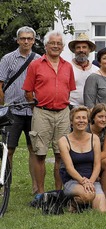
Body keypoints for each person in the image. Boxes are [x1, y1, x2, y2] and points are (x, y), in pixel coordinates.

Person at [23, 30, 75, 205]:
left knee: (61, 154)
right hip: (42, 112)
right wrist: (37, 107)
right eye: (52, 43)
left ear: (62, 47)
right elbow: (28, 91)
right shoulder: (36, 65)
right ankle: (41, 192)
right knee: (40, 154)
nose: (55, 46)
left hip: (63, 113)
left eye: (59, 43)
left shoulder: (67, 66)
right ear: (45, 45)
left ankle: (59, 192)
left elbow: (70, 89)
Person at [0, 26, 40, 194]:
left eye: (29, 39)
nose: (26, 41)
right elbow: (0, 85)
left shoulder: (39, 59)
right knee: (8, 149)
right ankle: (5, 184)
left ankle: (35, 186)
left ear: (33, 40)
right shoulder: (8, 59)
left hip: (32, 111)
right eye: (23, 38)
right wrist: (2, 107)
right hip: (12, 110)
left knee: (34, 149)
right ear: (17, 40)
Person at [58, 106, 106, 212]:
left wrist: (91, 181)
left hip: (91, 180)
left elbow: (97, 165)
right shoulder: (63, 141)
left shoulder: (94, 139)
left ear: (88, 121)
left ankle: (79, 203)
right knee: (88, 195)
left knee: (102, 212)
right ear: (71, 122)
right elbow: (69, 167)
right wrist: (83, 181)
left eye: (84, 118)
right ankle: (71, 200)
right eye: (78, 118)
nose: (81, 121)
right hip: (73, 181)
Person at [88, 103, 106, 194]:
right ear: (93, 117)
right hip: (83, 161)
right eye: (100, 117)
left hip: (98, 160)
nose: (103, 120)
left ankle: (103, 194)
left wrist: (96, 164)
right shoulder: (86, 129)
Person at [68, 33, 99, 108]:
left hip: (91, 108)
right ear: (74, 50)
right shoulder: (67, 67)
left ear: (89, 50)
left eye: (84, 47)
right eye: (78, 47)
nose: (81, 50)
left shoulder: (96, 70)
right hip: (71, 107)